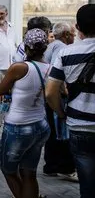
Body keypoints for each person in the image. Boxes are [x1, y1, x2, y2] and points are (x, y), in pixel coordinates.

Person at [0, 29, 51, 198]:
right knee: (29, 174)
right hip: (40, 124)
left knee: (9, 170)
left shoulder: (19, 67)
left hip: (18, 126)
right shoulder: (49, 67)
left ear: (26, 47)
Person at [46, 4, 95, 198]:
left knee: (88, 191)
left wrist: (62, 113)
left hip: (80, 127)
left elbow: (50, 92)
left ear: (77, 28)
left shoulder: (66, 54)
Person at [41, 22, 77, 180]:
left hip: (47, 95)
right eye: (72, 33)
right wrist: (65, 91)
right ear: (66, 35)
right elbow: (57, 73)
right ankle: (65, 168)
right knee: (62, 133)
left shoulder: (52, 46)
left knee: (52, 133)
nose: (75, 36)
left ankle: (51, 166)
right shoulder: (61, 47)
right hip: (55, 95)